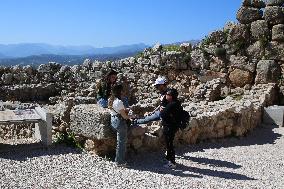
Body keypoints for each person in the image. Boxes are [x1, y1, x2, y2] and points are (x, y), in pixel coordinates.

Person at [108, 83, 132, 167]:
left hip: (113, 120)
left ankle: (118, 159)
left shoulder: (111, 100)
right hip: (120, 122)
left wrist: (124, 109)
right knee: (121, 143)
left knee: (119, 141)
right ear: (120, 91)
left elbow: (117, 110)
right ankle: (119, 161)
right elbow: (125, 117)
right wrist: (132, 116)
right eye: (122, 90)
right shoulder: (119, 102)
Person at [160, 88, 183, 168]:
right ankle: (169, 159)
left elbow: (163, 115)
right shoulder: (176, 102)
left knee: (169, 145)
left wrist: (162, 108)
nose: (165, 95)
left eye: (167, 94)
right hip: (174, 126)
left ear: (171, 96)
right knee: (169, 143)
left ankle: (172, 162)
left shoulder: (171, 105)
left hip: (169, 127)